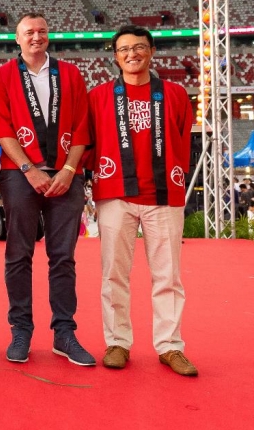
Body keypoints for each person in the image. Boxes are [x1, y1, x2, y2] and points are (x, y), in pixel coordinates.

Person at [88, 25, 197, 376]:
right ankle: (117, 341)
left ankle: (170, 345)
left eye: (138, 47)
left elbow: (182, 139)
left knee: (168, 275)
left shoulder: (176, 94)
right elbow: (89, 141)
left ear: (151, 52)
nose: (132, 54)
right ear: (115, 56)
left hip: (162, 195)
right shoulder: (99, 96)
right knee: (113, 274)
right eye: (124, 49)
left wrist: (175, 181)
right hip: (115, 194)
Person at [0, 13, 94, 366]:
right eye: (29, 32)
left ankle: (65, 332)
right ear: (17, 39)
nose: (36, 37)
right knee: (18, 254)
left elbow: (82, 125)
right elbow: (3, 129)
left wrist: (68, 168)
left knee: (63, 256)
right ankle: (21, 329)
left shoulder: (70, 74)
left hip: (66, 171)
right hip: (21, 174)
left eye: (42, 31)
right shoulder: (3, 77)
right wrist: (29, 170)